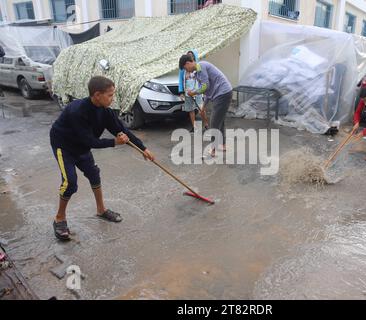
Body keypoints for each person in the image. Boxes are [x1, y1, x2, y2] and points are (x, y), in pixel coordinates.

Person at [49, 76, 154, 241]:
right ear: (97, 95)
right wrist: (114, 142)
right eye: (110, 95)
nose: (113, 98)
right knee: (70, 183)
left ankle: (101, 210)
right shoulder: (77, 111)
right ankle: (59, 219)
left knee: (93, 174)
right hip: (64, 146)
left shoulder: (105, 112)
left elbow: (121, 129)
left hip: (81, 146)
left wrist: (143, 149)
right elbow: (89, 141)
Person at [179, 54, 233, 157]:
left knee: (214, 122)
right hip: (221, 93)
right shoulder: (198, 73)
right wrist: (203, 107)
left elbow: (205, 86)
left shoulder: (201, 66)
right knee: (219, 121)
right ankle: (223, 145)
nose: (187, 71)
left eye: (186, 68)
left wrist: (194, 92)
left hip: (223, 93)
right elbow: (207, 91)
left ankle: (213, 149)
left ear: (188, 63)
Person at [178, 50, 209, 133]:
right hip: (188, 92)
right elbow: (180, 80)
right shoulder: (183, 70)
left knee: (201, 109)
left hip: (197, 91)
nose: (190, 57)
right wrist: (181, 92)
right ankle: (194, 127)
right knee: (190, 110)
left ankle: (206, 124)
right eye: (188, 56)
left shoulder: (197, 67)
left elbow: (204, 81)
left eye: (191, 56)